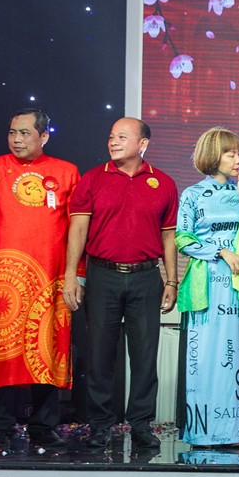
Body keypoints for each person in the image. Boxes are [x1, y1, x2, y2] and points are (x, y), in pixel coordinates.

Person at [0, 108, 78, 454]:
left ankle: (44, 427)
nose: (16, 140)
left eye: (25, 133)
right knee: (0, 351)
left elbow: (77, 229)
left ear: (44, 136)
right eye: (12, 132)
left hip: (50, 278)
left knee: (47, 350)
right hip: (2, 278)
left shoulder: (66, 172)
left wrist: (76, 276)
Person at [64, 116, 178, 456]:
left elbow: (169, 236)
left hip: (146, 276)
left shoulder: (163, 183)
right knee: (99, 354)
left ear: (142, 144)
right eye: (111, 136)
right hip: (103, 275)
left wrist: (171, 280)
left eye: (122, 137)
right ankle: (100, 424)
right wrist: (71, 274)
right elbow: (78, 230)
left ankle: (141, 424)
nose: (113, 142)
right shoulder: (92, 179)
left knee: (144, 355)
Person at [175, 127, 239, 448]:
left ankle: (236, 431)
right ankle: (204, 432)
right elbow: (183, 238)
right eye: (231, 154)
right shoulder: (192, 194)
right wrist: (220, 251)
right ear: (214, 155)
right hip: (207, 284)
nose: (238, 160)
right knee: (206, 358)